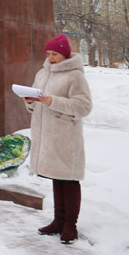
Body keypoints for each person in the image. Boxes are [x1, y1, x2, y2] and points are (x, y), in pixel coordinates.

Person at [25, 34, 92, 245]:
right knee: (56, 177)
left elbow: (83, 106)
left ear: (64, 53)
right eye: (48, 54)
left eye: (54, 54)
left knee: (69, 180)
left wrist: (53, 101)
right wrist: (30, 102)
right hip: (47, 136)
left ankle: (70, 225)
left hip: (65, 136)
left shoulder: (75, 76)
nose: (50, 57)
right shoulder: (42, 74)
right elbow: (37, 104)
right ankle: (58, 221)